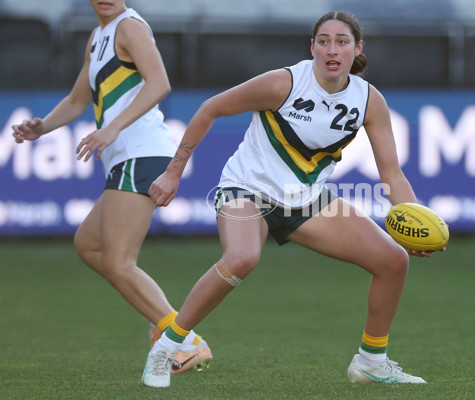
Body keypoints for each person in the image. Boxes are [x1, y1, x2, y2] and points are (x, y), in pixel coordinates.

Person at [142, 11, 444, 388]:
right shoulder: (283, 83)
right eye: (324, 41)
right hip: (246, 188)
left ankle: (371, 362)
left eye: (342, 41)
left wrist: (410, 221)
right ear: (312, 46)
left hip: (306, 201)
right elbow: (211, 108)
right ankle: (168, 346)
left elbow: (392, 175)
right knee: (242, 257)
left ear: (358, 48)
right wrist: (173, 171)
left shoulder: (369, 100)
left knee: (393, 260)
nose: (332, 49)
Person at [12, 0, 211, 374]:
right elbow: (76, 100)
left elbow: (160, 83)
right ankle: (166, 331)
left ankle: (183, 342)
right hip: (125, 157)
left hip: (142, 152)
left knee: (119, 262)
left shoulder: (129, 27)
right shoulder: (97, 36)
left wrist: (113, 126)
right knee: (89, 245)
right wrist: (42, 128)